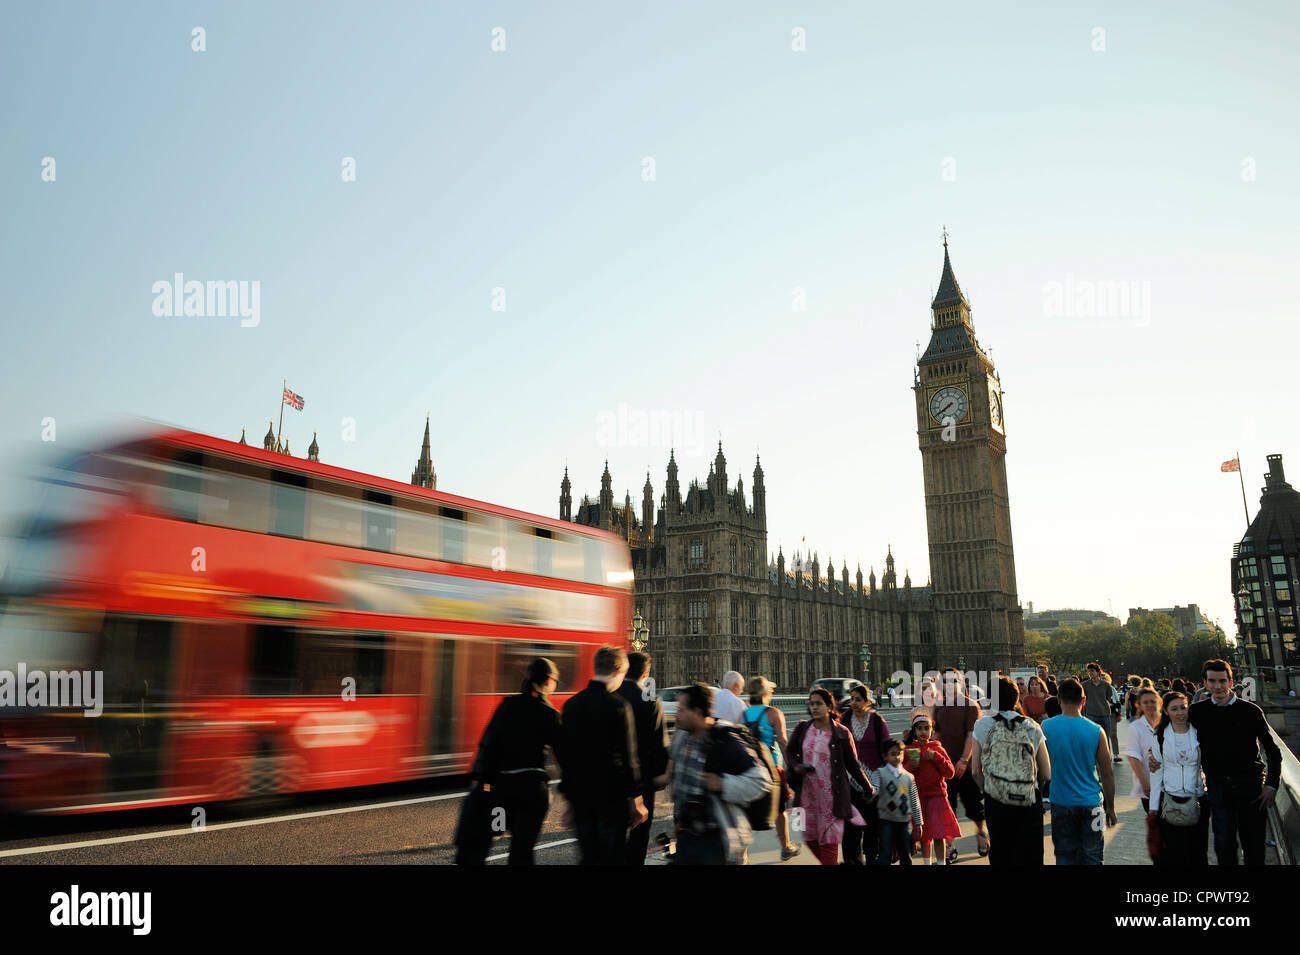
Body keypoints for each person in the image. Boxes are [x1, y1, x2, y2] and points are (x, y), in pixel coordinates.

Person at [454, 658, 562, 865]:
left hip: (501, 793)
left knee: (494, 831)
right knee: (522, 848)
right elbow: (563, 756)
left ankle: (498, 826)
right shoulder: (550, 714)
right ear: (549, 680)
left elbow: (488, 744)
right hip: (531, 795)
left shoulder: (507, 706)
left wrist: (481, 783)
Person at [558, 645, 648, 865]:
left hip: (581, 797)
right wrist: (636, 799)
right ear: (618, 672)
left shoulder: (571, 705)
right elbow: (629, 758)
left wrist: (569, 799)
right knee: (612, 856)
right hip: (611, 798)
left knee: (589, 856)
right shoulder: (618, 706)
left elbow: (564, 757)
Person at [1186, 659, 1281, 866]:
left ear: (1230, 682)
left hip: (1251, 786)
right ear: (1205, 683)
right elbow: (1173, 735)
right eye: (1212, 681)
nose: (1218, 686)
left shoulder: (1251, 711)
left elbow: (1273, 751)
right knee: (1223, 845)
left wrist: (1272, 785)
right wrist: (1152, 753)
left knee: (1254, 845)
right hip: (1218, 785)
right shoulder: (1197, 711)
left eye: (1222, 681)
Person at [666, 683, 769, 865]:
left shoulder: (724, 740)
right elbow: (676, 778)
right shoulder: (682, 738)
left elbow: (760, 781)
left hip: (717, 841)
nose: (676, 714)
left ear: (697, 712)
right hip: (687, 837)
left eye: (681, 710)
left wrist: (722, 784)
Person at [787, 687, 874, 865]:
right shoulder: (803, 728)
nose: (814, 707)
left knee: (828, 843)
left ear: (829, 706)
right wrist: (796, 767)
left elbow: (852, 765)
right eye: (811, 704)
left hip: (831, 799)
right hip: (807, 797)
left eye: (818, 703)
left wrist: (867, 787)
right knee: (810, 839)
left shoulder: (841, 733)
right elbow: (789, 752)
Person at [970, 676, 1050, 865]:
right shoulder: (1032, 726)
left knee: (1001, 853)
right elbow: (1046, 772)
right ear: (1016, 698)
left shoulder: (982, 725)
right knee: (1030, 855)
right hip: (1028, 800)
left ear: (990, 699)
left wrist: (988, 789)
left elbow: (975, 771)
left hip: (996, 801)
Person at [1041, 678, 1116, 864]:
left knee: (1065, 856)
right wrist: (1111, 808)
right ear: (1084, 700)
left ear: (1059, 700)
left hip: (1060, 803)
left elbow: (1040, 769)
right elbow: (1107, 773)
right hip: (1093, 804)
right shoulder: (1097, 730)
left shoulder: (1046, 727)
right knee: (1093, 855)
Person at [616, 651, 669, 865]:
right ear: (646, 674)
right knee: (639, 832)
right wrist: (660, 774)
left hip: (613, 775)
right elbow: (659, 743)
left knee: (615, 830)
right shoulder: (650, 700)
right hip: (643, 777)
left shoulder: (611, 695)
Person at [1147, 690, 1209, 866]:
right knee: (1176, 854)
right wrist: (1153, 807)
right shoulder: (1160, 736)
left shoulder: (1199, 733)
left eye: (1183, 708)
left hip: (1197, 799)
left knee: (1198, 852)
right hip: (1171, 801)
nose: (1180, 713)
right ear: (1166, 712)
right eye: (1174, 709)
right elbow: (1156, 771)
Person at [742, 675, 800, 861]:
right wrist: (792, 765)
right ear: (766, 693)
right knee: (780, 809)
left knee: (747, 810)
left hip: (750, 768)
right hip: (773, 768)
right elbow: (783, 742)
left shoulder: (743, 714)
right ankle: (785, 847)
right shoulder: (773, 713)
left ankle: (742, 854)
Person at [933, 667, 987, 860]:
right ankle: (951, 845)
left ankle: (980, 832)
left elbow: (971, 735)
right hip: (944, 767)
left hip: (967, 765)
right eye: (945, 681)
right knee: (947, 808)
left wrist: (963, 760)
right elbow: (936, 734)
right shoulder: (939, 706)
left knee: (974, 805)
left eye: (953, 681)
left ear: (961, 683)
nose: (949, 684)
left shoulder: (970, 706)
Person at [839, 685, 890, 864]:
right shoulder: (844, 719)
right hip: (851, 780)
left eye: (857, 699)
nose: (853, 702)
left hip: (874, 780)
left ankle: (873, 859)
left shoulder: (877, 721)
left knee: (872, 827)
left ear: (867, 701)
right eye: (851, 699)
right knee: (851, 829)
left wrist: (878, 785)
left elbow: (886, 751)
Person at [904, 707, 961, 864]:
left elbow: (950, 772)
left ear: (932, 730)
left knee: (939, 833)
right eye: (919, 728)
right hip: (918, 798)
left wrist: (936, 758)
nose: (923, 732)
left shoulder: (937, 748)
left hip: (937, 797)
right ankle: (927, 862)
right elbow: (903, 776)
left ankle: (941, 862)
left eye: (926, 728)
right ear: (914, 731)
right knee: (924, 834)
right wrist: (911, 766)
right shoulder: (909, 750)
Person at [870, 737, 923, 865]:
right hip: (886, 821)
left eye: (899, 753)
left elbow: (914, 800)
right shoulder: (879, 774)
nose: (897, 757)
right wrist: (870, 793)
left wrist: (918, 821)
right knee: (885, 853)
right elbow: (874, 790)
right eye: (893, 754)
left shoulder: (908, 777)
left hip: (904, 821)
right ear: (885, 757)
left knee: (905, 853)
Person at [1125, 687, 1162, 812]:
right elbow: (1133, 757)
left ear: (1159, 702)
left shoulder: (1168, 723)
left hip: (1170, 784)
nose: (1150, 705)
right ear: (1139, 705)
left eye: (1153, 701)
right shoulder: (1135, 727)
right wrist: (1145, 784)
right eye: (1145, 702)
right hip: (1149, 785)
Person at [1083, 663, 1121, 763]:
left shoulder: (1106, 685)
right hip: (1091, 714)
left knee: (1105, 738)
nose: (1090, 673)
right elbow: (1083, 699)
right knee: (1092, 738)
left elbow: (1108, 697)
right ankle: (1094, 760)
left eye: (1092, 671)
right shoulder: (1085, 685)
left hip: (1105, 714)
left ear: (1098, 672)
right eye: (1089, 671)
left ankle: (1106, 759)